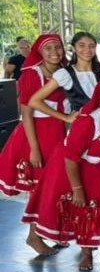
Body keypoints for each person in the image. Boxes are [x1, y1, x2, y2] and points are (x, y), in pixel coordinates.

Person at [25, 82, 100, 271]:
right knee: (83, 211)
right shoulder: (87, 123)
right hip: (75, 166)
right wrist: (77, 189)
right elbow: (70, 159)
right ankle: (86, 253)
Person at [0, 35, 68, 206]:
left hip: (58, 131)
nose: (54, 52)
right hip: (37, 133)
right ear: (39, 51)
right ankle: (34, 223)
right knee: (38, 185)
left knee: (54, 183)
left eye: (58, 47)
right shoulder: (32, 73)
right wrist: (34, 149)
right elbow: (26, 114)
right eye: (48, 48)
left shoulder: (65, 71)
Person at [28, 32, 100, 121]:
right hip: (82, 125)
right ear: (74, 48)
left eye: (91, 46)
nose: (87, 49)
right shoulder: (65, 74)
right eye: (81, 45)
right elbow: (34, 101)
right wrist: (65, 117)